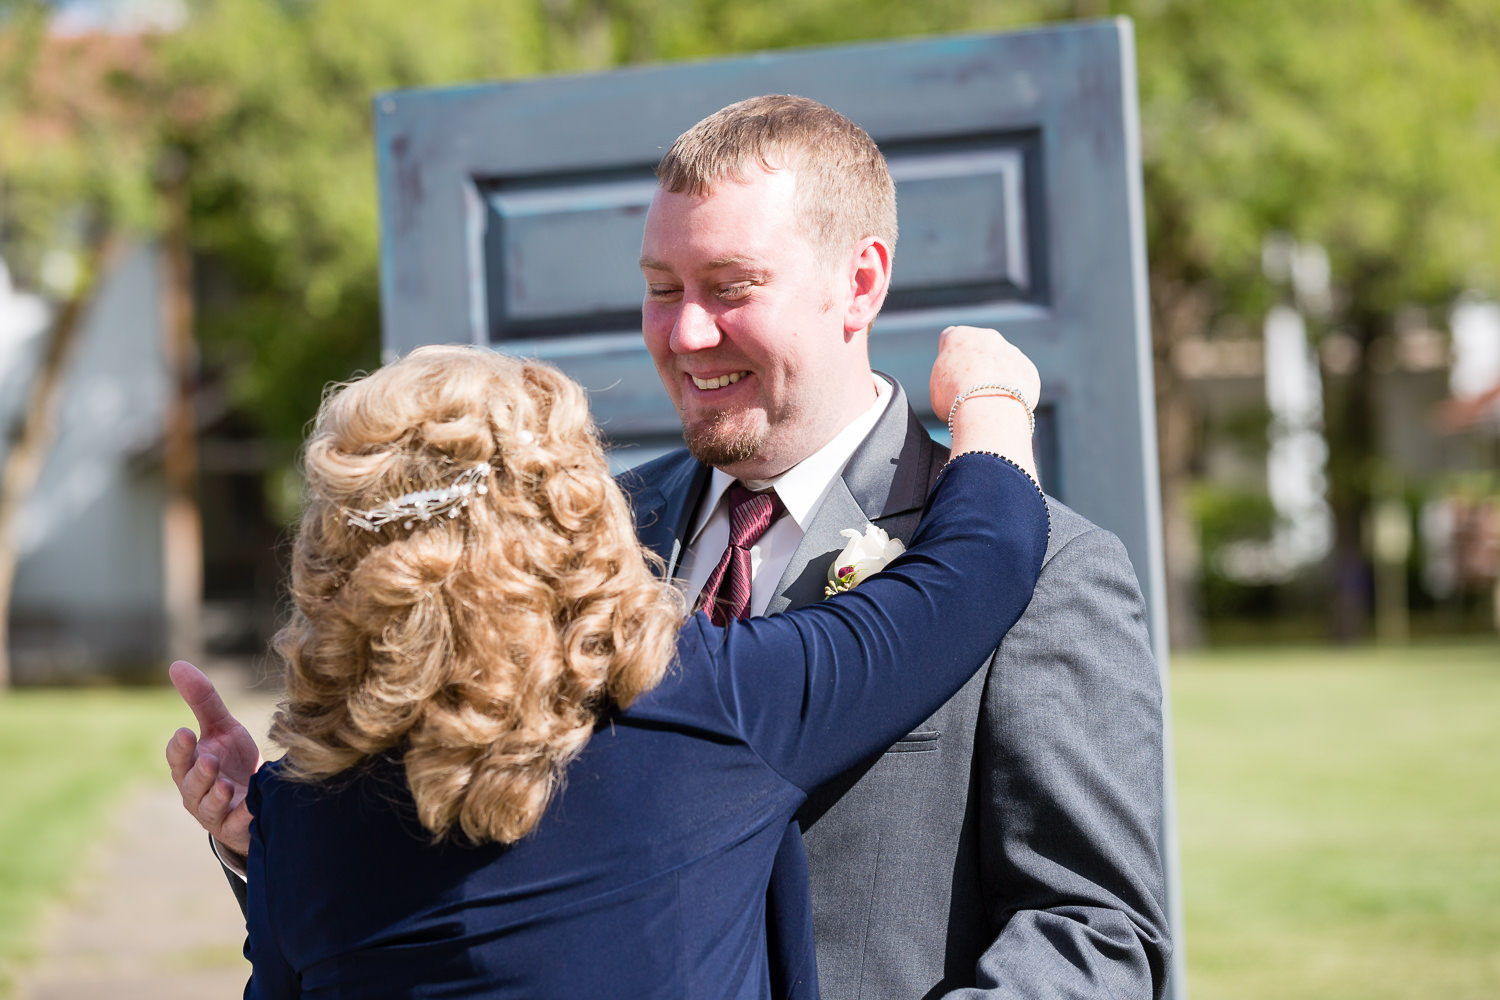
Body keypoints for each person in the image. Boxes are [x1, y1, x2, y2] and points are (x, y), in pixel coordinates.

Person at [171, 95, 1171, 998]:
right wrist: (274, 846)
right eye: (661, 287)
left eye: (729, 285)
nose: (686, 332)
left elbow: (1100, 935)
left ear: (859, 282)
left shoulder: (1048, 569)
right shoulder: (549, 547)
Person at [234, 335, 1047, 997]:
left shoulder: (300, 811)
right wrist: (992, 397)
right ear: (575, 510)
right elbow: (982, 562)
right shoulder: (705, 704)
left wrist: (253, 841)